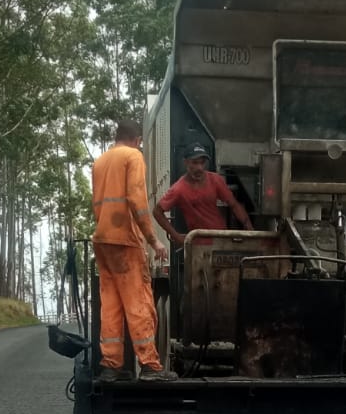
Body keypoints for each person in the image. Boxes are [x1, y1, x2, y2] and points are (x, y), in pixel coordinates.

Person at [91, 119, 170, 380]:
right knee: (139, 301)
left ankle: (110, 366)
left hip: (103, 240)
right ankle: (149, 365)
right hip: (125, 239)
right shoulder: (133, 156)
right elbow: (137, 200)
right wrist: (153, 240)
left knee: (111, 305)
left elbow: (97, 204)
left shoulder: (100, 162)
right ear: (137, 140)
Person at [153, 144, 252, 245]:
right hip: (198, 245)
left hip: (221, 241)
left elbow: (234, 205)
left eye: (202, 162)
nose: (199, 168)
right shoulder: (179, 189)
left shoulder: (215, 180)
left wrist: (251, 231)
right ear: (186, 162)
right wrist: (177, 237)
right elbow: (157, 212)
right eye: (195, 163)